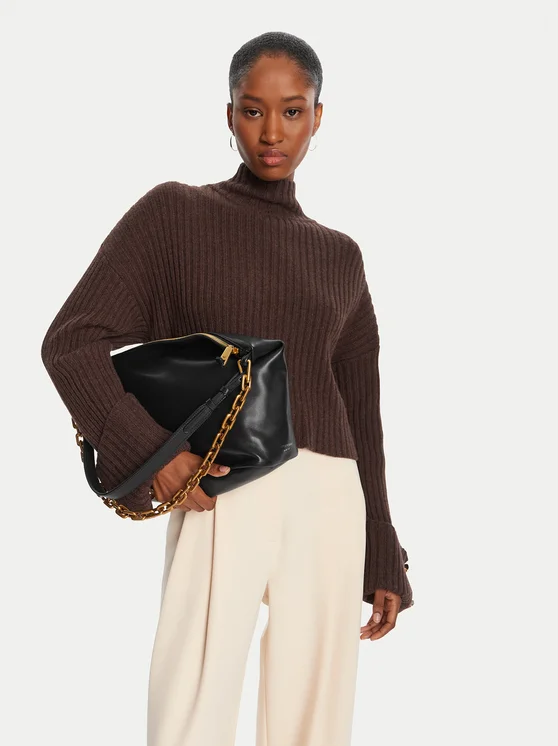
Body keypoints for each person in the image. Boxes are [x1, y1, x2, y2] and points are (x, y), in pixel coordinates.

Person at [41, 30, 414, 746]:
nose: (272, 132)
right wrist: (154, 454)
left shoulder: (341, 256)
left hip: (330, 496)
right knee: (191, 708)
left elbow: (361, 410)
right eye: (252, 110)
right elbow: (70, 342)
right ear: (229, 113)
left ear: (318, 116)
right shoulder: (176, 214)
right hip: (225, 484)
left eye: (292, 111)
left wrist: (381, 546)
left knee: (315, 723)